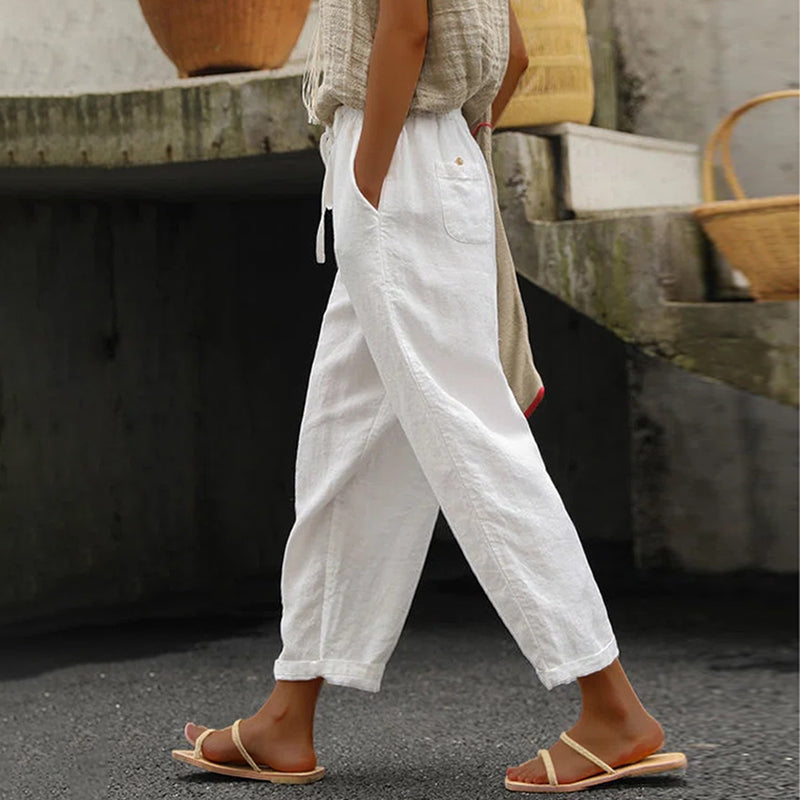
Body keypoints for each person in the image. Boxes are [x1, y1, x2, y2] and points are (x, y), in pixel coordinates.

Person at [171, 0, 687, 792]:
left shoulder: (382, 164)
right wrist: (443, 152)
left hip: (394, 170)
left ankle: (612, 707)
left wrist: (371, 173)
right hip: (427, 160)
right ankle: (286, 716)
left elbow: (406, 27)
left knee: (473, 444)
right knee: (344, 448)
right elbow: (514, 52)